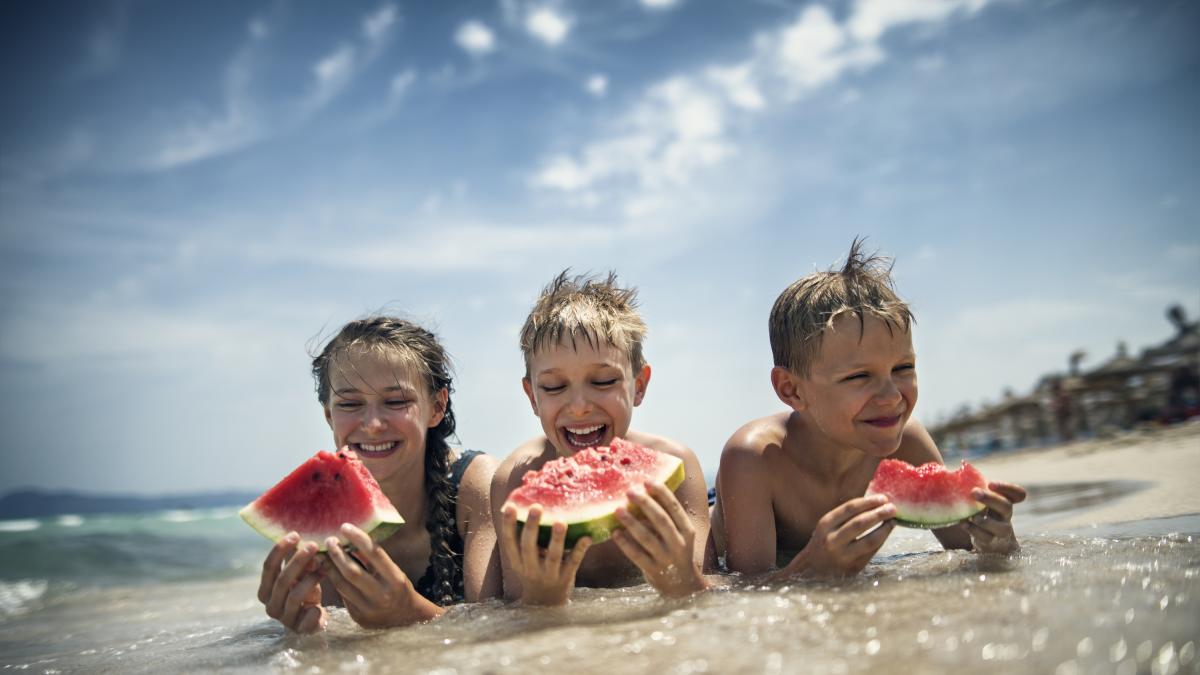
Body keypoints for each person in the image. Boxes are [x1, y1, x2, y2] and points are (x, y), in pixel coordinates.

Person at [709, 240, 1027, 580]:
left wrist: (998, 544)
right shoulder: (754, 457)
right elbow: (743, 589)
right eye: (859, 376)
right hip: (723, 504)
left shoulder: (907, 440)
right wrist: (810, 572)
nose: (891, 396)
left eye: (903, 368)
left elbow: (966, 550)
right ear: (792, 390)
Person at [257, 316, 500, 632]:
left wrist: (408, 611)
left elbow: (498, 629)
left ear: (437, 407)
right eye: (349, 404)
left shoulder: (476, 484)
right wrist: (307, 630)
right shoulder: (323, 514)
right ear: (329, 416)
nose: (372, 424)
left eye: (396, 401)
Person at [492, 271, 712, 605]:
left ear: (639, 385)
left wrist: (684, 581)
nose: (579, 407)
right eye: (554, 387)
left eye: (604, 381)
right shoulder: (514, 481)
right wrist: (542, 597)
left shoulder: (676, 467)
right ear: (532, 397)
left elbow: (709, 592)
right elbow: (511, 609)